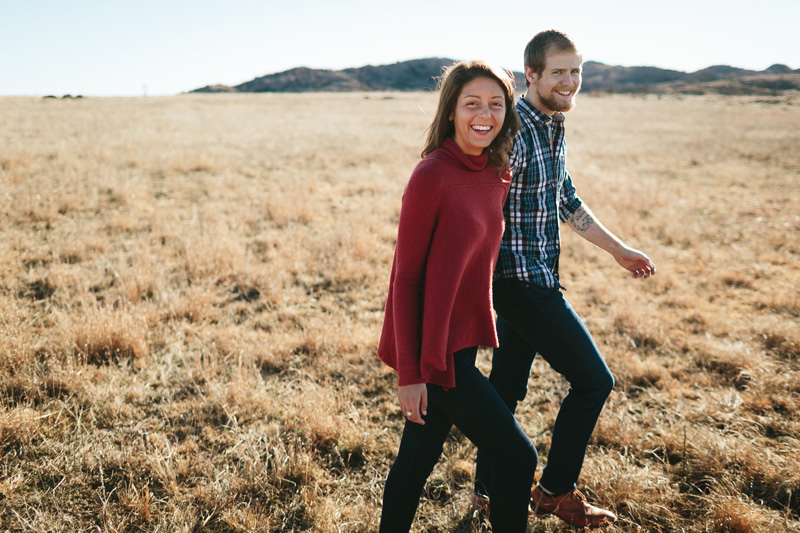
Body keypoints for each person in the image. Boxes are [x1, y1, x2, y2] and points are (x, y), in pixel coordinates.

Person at [472, 30, 656, 528]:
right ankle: (554, 490)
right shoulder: (512, 132)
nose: (570, 81)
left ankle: (486, 494)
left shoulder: (552, 125)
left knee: (505, 390)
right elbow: (476, 205)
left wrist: (619, 250)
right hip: (519, 283)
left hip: (537, 276)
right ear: (530, 74)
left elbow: (565, 200)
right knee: (594, 380)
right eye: (558, 72)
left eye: (576, 71)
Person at [377, 60, 538, 532]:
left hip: (463, 346)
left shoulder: (496, 173)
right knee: (516, 457)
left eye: (496, 104)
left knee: (416, 462)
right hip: (436, 356)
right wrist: (411, 373)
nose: (484, 114)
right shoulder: (432, 175)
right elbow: (405, 279)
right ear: (452, 111)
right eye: (472, 104)